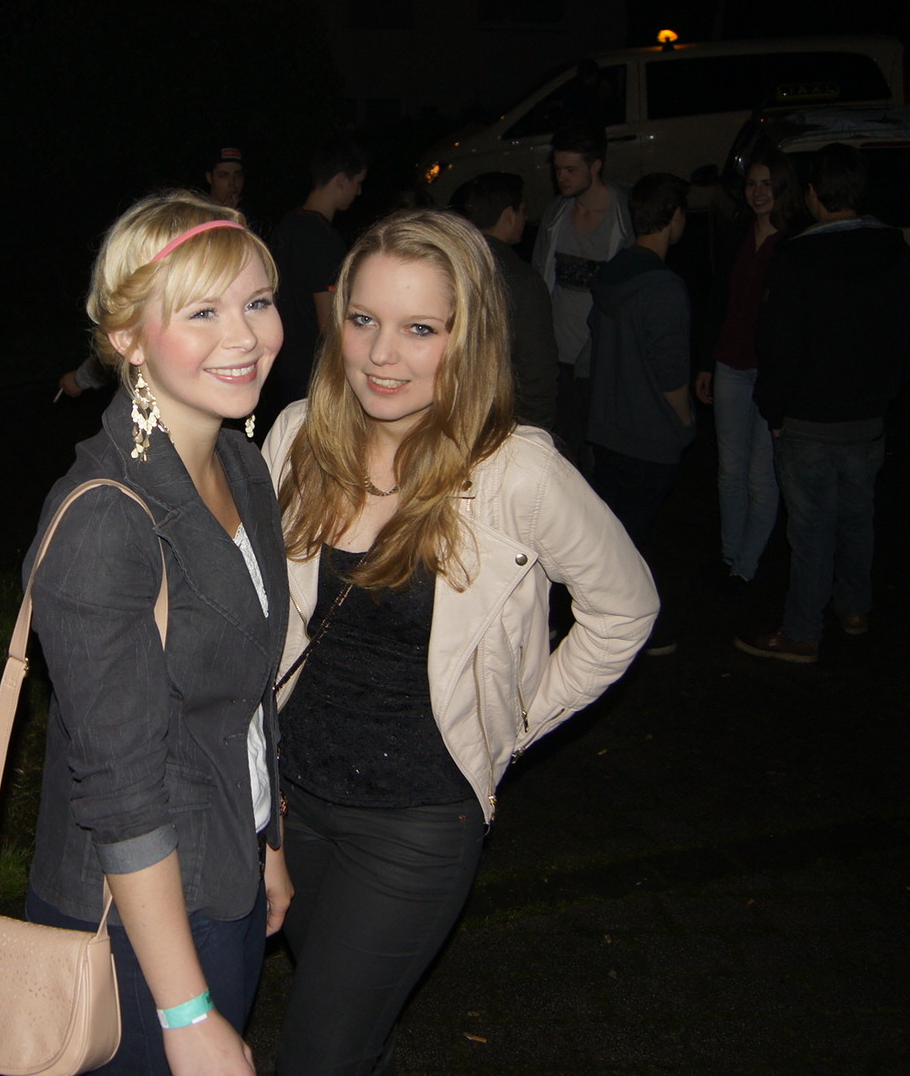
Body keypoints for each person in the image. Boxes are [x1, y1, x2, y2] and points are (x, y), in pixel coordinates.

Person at [263, 209, 658, 1074]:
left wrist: (510, 720)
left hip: (416, 818)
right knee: (350, 1031)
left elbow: (625, 608)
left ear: (468, 336)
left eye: (420, 329)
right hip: (291, 801)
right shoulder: (297, 436)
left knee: (316, 1052)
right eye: (362, 319)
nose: (381, 354)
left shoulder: (518, 472)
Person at [23, 191, 291, 1074]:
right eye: (202, 312)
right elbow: (120, 789)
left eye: (257, 302)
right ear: (128, 338)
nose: (244, 336)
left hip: (228, 868)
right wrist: (183, 1010)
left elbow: (247, 689)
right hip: (143, 925)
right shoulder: (107, 520)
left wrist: (267, 841)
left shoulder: (240, 465)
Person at [736, 144, 910, 664]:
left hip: (808, 421)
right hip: (866, 418)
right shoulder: (896, 252)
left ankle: (802, 631)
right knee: (857, 516)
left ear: (814, 194)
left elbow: (778, 345)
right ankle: (854, 607)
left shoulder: (798, 258)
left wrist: (774, 410)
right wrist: (882, 394)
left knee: (811, 529)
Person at [586, 173, 696, 655]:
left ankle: (600, 622)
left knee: (614, 537)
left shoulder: (613, 273)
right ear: (674, 217)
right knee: (627, 545)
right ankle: (627, 630)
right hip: (647, 435)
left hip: (609, 429)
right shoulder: (662, 287)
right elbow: (671, 371)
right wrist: (685, 420)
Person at [57, 149, 257, 400]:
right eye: (223, 175)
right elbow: (130, 317)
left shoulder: (252, 229)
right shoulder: (175, 232)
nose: (232, 184)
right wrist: (81, 378)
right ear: (209, 177)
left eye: (258, 304)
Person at [695, 149, 804, 597]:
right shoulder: (738, 234)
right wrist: (706, 361)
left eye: (767, 184)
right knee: (730, 469)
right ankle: (730, 557)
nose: (758, 193)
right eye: (752, 184)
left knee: (762, 475)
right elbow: (719, 300)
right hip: (730, 363)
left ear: (783, 189)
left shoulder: (795, 243)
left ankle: (746, 565)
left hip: (768, 372)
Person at [534, 125, 633, 472]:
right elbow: (541, 277)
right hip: (559, 355)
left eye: (570, 170)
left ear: (595, 166)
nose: (560, 178)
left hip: (603, 357)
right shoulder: (557, 215)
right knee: (564, 451)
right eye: (557, 169)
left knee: (600, 457)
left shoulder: (624, 218)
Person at [259, 134, 369, 431]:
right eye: (358, 182)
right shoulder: (323, 238)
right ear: (342, 180)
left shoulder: (285, 226)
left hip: (282, 365)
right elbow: (328, 322)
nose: (359, 191)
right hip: (312, 371)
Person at [450, 171, 557, 430]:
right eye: (523, 211)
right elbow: (537, 372)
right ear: (509, 214)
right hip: (500, 424)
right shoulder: (521, 280)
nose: (525, 219)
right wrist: (536, 433)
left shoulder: (449, 265)